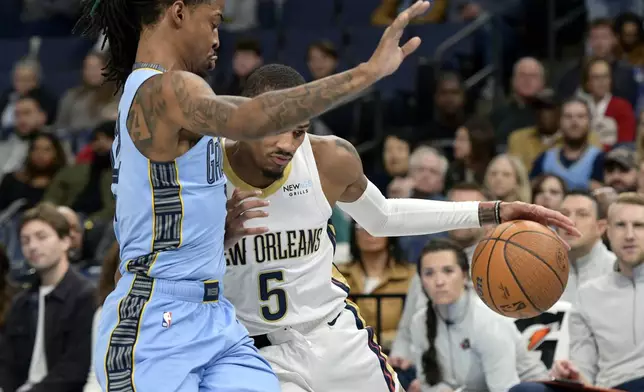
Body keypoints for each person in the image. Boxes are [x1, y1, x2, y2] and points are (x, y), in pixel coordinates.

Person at [74, 0, 432, 390]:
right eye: (213, 23)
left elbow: (162, 200)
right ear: (178, 13)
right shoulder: (165, 89)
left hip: (215, 316)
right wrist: (367, 72)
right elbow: (253, 118)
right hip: (157, 318)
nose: (217, 39)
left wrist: (212, 233)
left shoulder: (158, 94)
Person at [222, 64, 580, 392]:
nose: (287, 144)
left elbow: (384, 217)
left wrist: (493, 211)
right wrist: (217, 235)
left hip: (333, 336)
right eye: (274, 129)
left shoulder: (328, 159)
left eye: (298, 131)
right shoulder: (203, 167)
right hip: (256, 352)